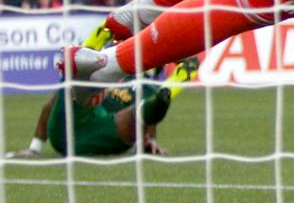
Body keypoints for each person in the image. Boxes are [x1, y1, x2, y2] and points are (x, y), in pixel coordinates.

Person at [8, 58, 196, 159]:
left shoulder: (148, 89)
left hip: (104, 130)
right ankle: (33, 148)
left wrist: (150, 141)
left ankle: (167, 92)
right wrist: (34, 148)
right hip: (77, 122)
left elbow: (149, 121)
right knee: (71, 83)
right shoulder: (116, 70)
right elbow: (50, 104)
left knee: (140, 111)